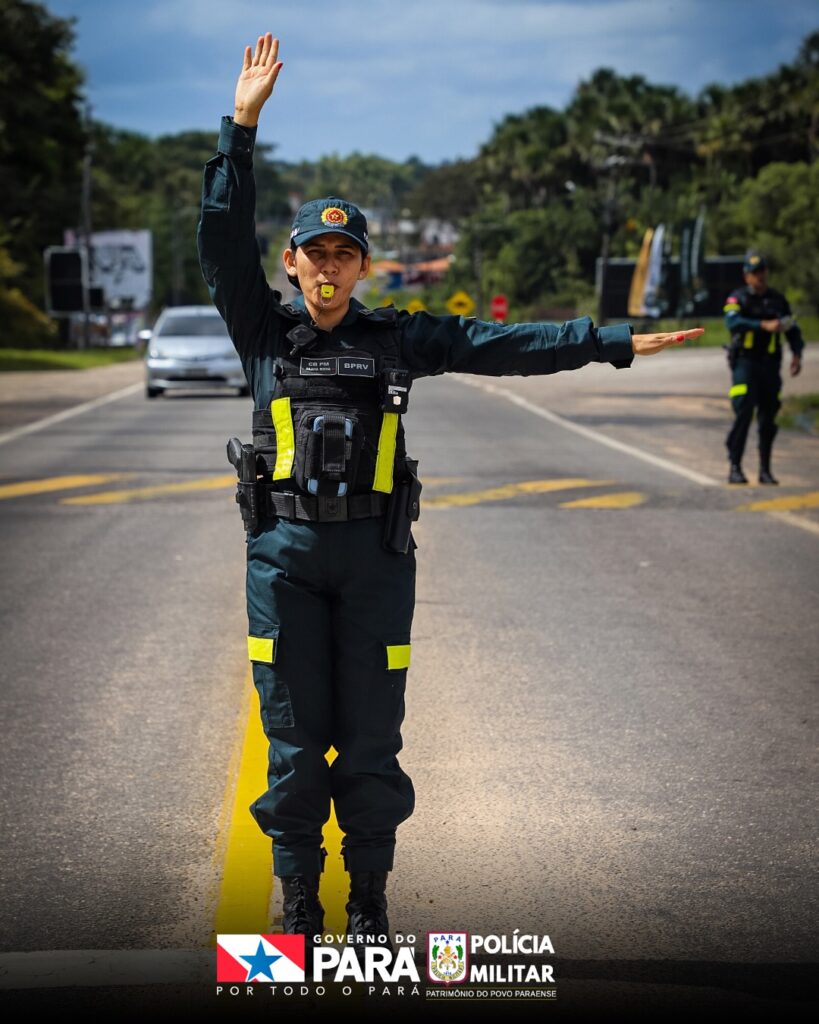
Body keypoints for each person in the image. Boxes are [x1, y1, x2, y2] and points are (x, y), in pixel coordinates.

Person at [196, 32, 704, 957]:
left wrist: (608, 340)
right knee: (294, 737)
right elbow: (221, 241)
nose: (328, 268)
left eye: (344, 254)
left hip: (376, 562)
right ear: (292, 264)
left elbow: (503, 347)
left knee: (372, 740)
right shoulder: (263, 333)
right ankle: (298, 903)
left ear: (363, 266)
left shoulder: (399, 337)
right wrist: (240, 127)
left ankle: (369, 905)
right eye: (314, 254)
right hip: (284, 562)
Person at [723, 251, 804, 484]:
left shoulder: (777, 300)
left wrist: (797, 354)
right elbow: (732, 322)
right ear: (746, 276)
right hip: (745, 363)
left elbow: (792, 328)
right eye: (754, 272)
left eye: (762, 271)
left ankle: (765, 471)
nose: (759, 276)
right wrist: (762, 325)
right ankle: (735, 467)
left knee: (768, 418)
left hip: (770, 365)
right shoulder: (737, 298)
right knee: (744, 412)